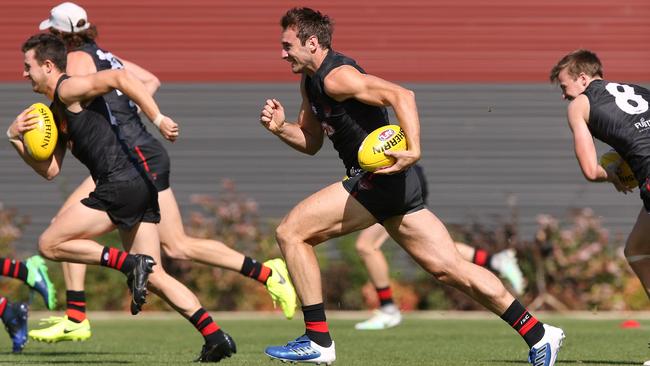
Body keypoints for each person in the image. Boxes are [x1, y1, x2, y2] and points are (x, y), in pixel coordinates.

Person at [260, 7, 564, 365]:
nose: (282, 53)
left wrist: (414, 147)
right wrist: (281, 129)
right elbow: (311, 141)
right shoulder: (310, 82)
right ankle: (539, 333)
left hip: (378, 180)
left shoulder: (336, 77)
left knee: (292, 233)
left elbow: (402, 95)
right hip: (391, 184)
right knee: (449, 268)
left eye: (287, 45)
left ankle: (318, 340)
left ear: (312, 43)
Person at [28, 2, 296, 343]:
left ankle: (77, 316)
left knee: (61, 231)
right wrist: (125, 109)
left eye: (51, 33)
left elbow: (111, 86)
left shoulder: (76, 60)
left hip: (130, 155)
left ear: (60, 35)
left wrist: (121, 119)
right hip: (138, 152)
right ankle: (264, 275)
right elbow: (148, 80)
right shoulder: (103, 53)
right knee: (175, 248)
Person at [9, 33, 235, 362]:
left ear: (47, 65)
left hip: (119, 185)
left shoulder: (66, 88)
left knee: (50, 243)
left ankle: (129, 264)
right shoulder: (54, 108)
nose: (24, 73)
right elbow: (51, 171)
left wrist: (157, 118)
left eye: (28, 66)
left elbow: (118, 76)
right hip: (138, 183)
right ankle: (216, 337)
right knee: (155, 277)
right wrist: (16, 139)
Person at [550, 49, 650, 366]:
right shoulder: (640, 91)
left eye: (565, 88)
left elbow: (591, 170)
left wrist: (615, 175)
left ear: (583, 78)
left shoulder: (581, 104)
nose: (565, 97)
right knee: (636, 248)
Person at [354, 165, 526, 330]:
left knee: (367, 245)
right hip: (394, 178)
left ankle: (388, 309)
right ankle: (494, 260)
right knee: (429, 248)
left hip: (395, 179)